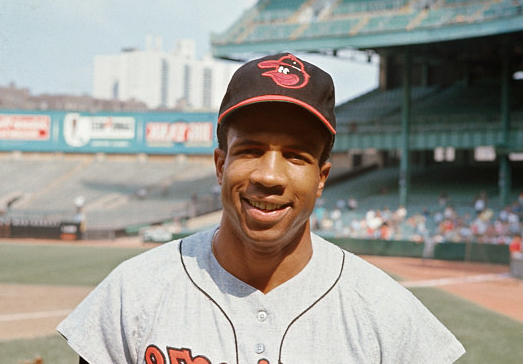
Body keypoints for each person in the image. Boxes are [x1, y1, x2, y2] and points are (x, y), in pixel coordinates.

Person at [58, 53, 465, 363]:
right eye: (251, 150)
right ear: (221, 165)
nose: (269, 176)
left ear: (322, 177)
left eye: (296, 155)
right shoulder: (134, 293)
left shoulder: (385, 312)